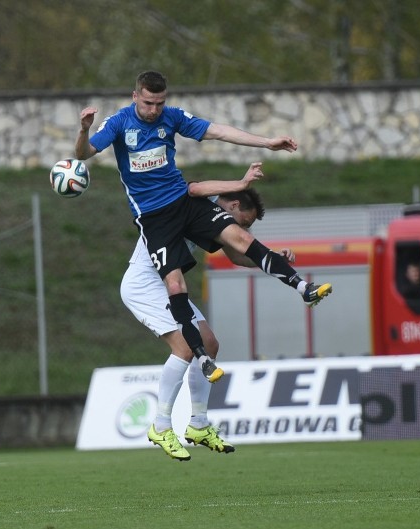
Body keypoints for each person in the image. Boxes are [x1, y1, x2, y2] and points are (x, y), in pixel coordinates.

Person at [76, 70, 332, 384]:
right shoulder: (118, 123)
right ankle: (201, 360)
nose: (154, 110)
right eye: (148, 103)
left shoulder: (171, 118)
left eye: (159, 103)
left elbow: (219, 131)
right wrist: (84, 130)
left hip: (183, 201)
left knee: (238, 235)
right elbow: (84, 154)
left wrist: (266, 143)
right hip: (154, 218)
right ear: (135, 97)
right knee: (175, 285)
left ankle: (303, 288)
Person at [123, 165, 291, 460]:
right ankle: (161, 425)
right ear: (235, 205)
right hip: (145, 284)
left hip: (167, 283)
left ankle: (198, 424)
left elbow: (239, 255)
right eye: (245, 223)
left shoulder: (211, 219)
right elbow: (196, 187)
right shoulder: (195, 207)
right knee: (187, 347)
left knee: (209, 344)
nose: (244, 230)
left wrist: (273, 259)